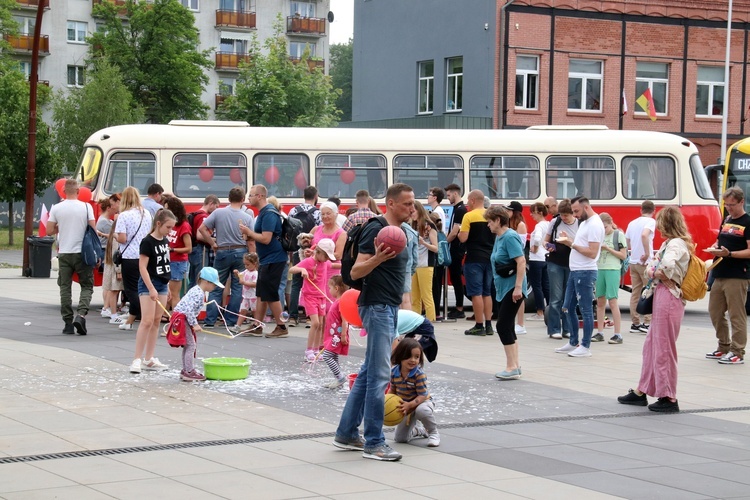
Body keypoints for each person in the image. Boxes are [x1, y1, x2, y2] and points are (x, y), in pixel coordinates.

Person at [333, 183, 415, 462]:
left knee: (369, 372)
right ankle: (374, 442)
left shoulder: (399, 232)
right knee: (381, 375)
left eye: (412, 203)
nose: (412, 208)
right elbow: (356, 270)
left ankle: (346, 433)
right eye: (406, 204)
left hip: (388, 306)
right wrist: (377, 258)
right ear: (390, 203)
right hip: (377, 306)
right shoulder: (376, 229)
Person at [618, 206, 691, 412]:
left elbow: (665, 266)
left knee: (663, 348)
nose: (657, 227)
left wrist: (652, 270)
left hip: (669, 296)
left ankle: (669, 396)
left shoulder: (676, 244)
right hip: (664, 296)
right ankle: (643, 390)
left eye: (660, 223)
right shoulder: (672, 242)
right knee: (652, 346)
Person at [554, 196, 604, 358]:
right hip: (576, 270)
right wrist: (569, 240)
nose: (574, 215)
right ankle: (574, 341)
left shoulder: (595, 224)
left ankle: (585, 346)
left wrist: (571, 244)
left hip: (585, 271)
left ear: (586, 207)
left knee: (586, 309)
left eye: (576, 211)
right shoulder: (586, 223)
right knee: (567, 306)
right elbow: (583, 244)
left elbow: (592, 252)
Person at [705, 187, 750, 365]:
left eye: (732, 205)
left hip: (737, 275)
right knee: (714, 311)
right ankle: (723, 346)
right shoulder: (727, 219)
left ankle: (737, 351)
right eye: (726, 204)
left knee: (736, 314)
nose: (729, 208)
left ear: (741, 202)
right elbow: (720, 239)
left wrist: (730, 254)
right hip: (720, 272)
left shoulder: (747, 222)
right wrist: (715, 247)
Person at [198, 187, 254, 328]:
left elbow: (202, 229)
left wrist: (212, 243)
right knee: (237, 288)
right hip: (240, 252)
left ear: (228, 199)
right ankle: (231, 320)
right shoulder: (247, 217)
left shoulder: (218, 212)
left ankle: (210, 320)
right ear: (242, 200)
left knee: (216, 286)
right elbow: (251, 240)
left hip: (222, 251)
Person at [46, 179, 97, 335]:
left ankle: (68, 323)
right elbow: (93, 229)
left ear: (63, 191)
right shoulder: (86, 207)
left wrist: (62, 226)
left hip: (65, 253)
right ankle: (80, 315)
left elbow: (49, 231)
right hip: (83, 252)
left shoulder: (57, 208)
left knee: (65, 287)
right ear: (78, 191)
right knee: (87, 285)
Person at [129, 209, 176, 374]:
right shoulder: (147, 241)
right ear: (158, 224)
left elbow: (165, 264)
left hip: (162, 283)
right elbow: (142, 266)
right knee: (147, 321)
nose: (170, 231)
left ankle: (149, 358)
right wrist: (151, 288)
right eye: (168, 227)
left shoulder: (164, 240)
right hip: (149, 283)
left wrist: (167, 286)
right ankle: (137, 358)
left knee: (156, 320)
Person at [239, 185, 289, 338]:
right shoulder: (264, 213)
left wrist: (249, 232)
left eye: (251, 195)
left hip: (274, 258)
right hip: (268, 258)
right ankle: (257, 325)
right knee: (261, 293)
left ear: (260, 196)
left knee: (270, 293)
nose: (249, 199)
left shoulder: (268, 214)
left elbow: (266, 239)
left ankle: (281, 326)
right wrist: (249, 235)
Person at [486, 206, 526, 380]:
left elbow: (521, 261)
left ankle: (511, 367)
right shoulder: (499, 237)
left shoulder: (509, 237)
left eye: (489, 221)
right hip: (503, 288)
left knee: (502, 326)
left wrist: (518, 287)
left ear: (497, 220)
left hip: (512, 288)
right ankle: (515, 365)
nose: (487, 225)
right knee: (508, 326)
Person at [171, 266, 224, 382]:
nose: (214, 287)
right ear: (206, 281)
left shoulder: (196, 290)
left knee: (188, 345)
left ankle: (186, 369)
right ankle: (189, 371)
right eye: (213, 284)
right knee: (191, 345)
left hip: (181, 317)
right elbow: (189, 309)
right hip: (183, 318)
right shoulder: (198, 293)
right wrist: (194, 324)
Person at [290, 238, 336, 361]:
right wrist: (302, 269)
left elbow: (333, 264)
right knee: (315, 323)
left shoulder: (325, 262)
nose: (327, 259)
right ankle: (309, 350)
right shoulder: (308, 262)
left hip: (321, 296)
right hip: (310, 296)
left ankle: (316, 350)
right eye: (325, 256)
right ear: (318, 252)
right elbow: (292, 269)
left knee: (320, 324)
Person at [114, 187, 152, 331]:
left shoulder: (124, 215)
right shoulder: (146, 214)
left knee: (131, 290)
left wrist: (115, 236)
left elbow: (123, 239)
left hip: (129, 256)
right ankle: (133, 318)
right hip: (144, 255)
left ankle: (134, 317)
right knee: (142, 287)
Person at [389, 338, 439, 447]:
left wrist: (410, 405)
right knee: (400, 439)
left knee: (422, 411)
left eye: (417, 357)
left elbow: (422, 395)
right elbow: (392, 391)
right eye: (409, 356)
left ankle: (433, 432)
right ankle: (419, 430)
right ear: (400, 356)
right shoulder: (394, 372)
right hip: (407, 406)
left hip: (422, 402)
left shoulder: (418, 374)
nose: (413, 360)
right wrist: (386, 403)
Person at [459, 190, 495, 336]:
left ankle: (479, 325)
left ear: (473, 200)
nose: (467, 203)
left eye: (468, 200)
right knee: (487, 293)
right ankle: (489, 325)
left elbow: (463, 238)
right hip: (490, 258)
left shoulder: (469, 216)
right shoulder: (491, 216)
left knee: (476, 293)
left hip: (474, 259)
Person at [543, 199, 579, 339]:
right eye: (562, 215)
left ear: (573, 214)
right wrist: (548, 246)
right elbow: (545, 240)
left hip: (572, 263)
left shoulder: (579, 224)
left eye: (566, 216)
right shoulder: (555, 222)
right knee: (556, 297)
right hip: (555, 262)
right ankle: (554, 329)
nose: (563, 218)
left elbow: (581, 244)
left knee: (568, 297)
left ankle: (567, 328)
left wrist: (568, 241)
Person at [288, 186, 322, 325]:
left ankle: (292, 316)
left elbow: (289, 230)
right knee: (313, 282)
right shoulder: (317, 213)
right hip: (313, 251)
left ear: (303, 195)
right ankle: (310, 317)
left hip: (298, 249)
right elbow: (319, 231)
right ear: (316, 196)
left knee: (296, 283)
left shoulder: (294, 210)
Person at [594, 213, 627, 344]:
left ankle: (618, 334)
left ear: (610, 224)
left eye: (605, 227)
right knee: (600, 301)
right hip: (600, 268)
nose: (604, 230)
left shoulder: (618, 235)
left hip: (613, 269)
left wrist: (607, 248)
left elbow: (623, 255)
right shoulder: (599, 235)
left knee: (612, 301)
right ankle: (600, 332)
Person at [625, 200, 656, 333]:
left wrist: (635, 251)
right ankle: (647, 323)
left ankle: (635, 323)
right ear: (653, 211)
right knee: (648, 291)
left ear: (641, 210)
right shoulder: (651, 222)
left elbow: (627, 242)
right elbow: (644, 235)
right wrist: (647, 253)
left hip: (633, 261)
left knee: (635, 293)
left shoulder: (632, 223)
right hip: (645, 262)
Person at [321, 275, 350, 389]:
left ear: (336, 288)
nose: (329, 290)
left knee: (327, 356)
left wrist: (343, 334)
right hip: (333, 335)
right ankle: (338, 378)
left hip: (337, 336)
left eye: (330, 288)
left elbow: (345, 320)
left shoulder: (341, 302)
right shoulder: (338, 301)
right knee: (333, 356)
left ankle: (340, 377)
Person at [163, 196, 192, 312]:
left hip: (177, 262)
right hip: (168, 260)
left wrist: (173, 250)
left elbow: (188, 248)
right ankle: (165, 315)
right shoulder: (171, 224)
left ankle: (176, 318)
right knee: (166, 292)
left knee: (174, 294)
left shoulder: (184, 226)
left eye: (167, 209)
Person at [411, 201, 438, 321]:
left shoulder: (429, 225)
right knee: (414, 298)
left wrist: (423, 242)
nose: (411, 214)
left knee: (426, 296)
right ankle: (415, 321)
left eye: (413, 211)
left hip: (426, 264)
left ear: (419, 210)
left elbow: (436, 248)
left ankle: (431, 320)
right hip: (414, 264)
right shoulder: (412, 225)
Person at [187, 195, 220, 290]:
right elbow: (200, 235)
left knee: (193, 279)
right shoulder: (203, 217)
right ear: (211, 204)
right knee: (200, 279)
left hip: (194, 249)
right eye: (216, 207)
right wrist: (215, 240)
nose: (216, 210)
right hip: (201, 249)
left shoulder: (196, 214)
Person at [96, 193, 121, 318]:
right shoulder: (106, 223)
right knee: (110, 283)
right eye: (112, 207)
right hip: (108, 251)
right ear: (108, 208)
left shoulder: (104, 220)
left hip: (106, 250)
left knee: (108, 282)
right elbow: (115, 235)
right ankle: (107, 307)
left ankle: (107, 307)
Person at [445, 183, 467, 319]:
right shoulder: (457, 208)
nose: (448, 198)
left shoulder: (460, 210)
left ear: (455, 193)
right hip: (454, 248)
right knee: (454, 277)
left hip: (456, 248)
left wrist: (444, 242)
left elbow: (455, 231)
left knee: (456, 278)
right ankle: (459, 307)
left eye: (448, 195)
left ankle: (459, 308)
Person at [506, 201, 528, 335]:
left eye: (509, 210)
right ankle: (512, 322)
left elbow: (521, 244)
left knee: (519, 293)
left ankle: (521, 324)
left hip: (516, 261)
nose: (506, 212)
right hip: (510, 261)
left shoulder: (520, 225)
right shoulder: (509, 225)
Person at [527, 202, 549, 322]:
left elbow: (536, 238)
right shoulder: (548, 224)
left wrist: (535, 248)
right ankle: (550, 308)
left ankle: (540, 311)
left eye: (533, 212)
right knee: (546, 285)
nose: (531, 215)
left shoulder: (539, 226)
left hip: (536, 258)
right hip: (545, 257)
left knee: (536, 285)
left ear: (540, 212)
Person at [230, 252, 259, 335]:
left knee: (255, 311)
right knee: (243, 311)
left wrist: (244, 283)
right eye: (245, 264)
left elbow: (254, 284)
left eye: (248, 264)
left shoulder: (255, 273)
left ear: (255, 264)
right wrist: (236, 273)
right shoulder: (246, 271)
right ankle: (237, 326)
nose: (246, 266)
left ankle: (257, 324)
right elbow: (240, 276)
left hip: (253, 296)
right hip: (246, 295)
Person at [102, 225, 124, 324]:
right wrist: (119, 270)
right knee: (114, 290)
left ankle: (108, 310)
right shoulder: (116, 238)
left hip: (111, 266)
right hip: (115, 268)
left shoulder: (112, 237)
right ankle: (113, 314)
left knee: (111, 290)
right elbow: (117, 255)